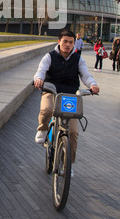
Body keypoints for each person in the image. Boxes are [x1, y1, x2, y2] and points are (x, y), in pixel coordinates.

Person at [33, 29, 99, 176]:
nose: (68, 45)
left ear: (74, 43)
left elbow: (86, 75)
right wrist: (39, 79)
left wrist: (92, 85)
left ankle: (67, 164)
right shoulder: (49, 56)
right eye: (65, 42)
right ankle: (43, 129)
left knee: (73, 132)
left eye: (71, 42)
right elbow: (41, 70)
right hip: (51, 90)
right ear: (59, 42)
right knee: (47, 108)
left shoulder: (78, 59)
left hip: (70, 95)